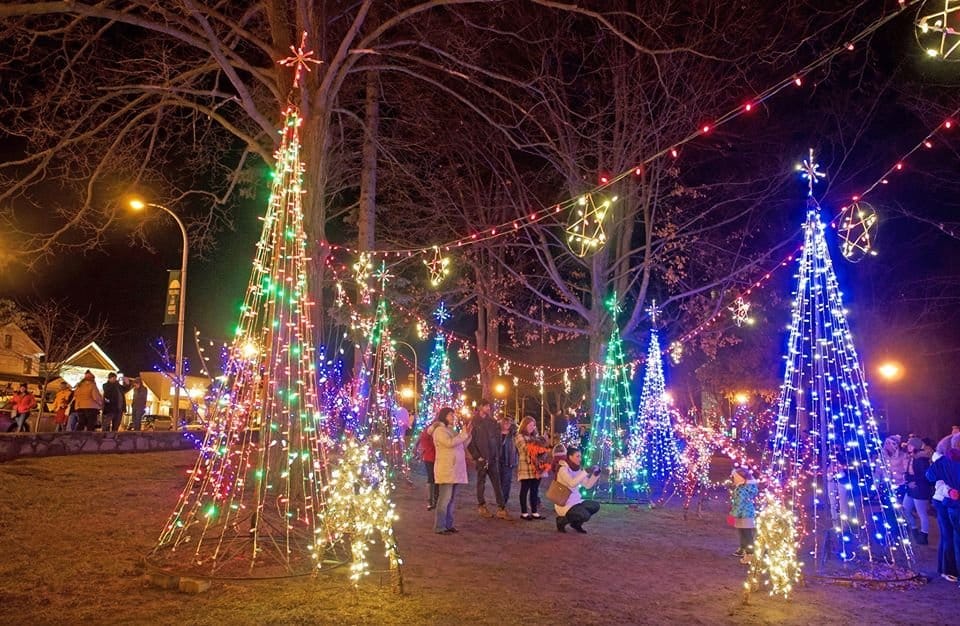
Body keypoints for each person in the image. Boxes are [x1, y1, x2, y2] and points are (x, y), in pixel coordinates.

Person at [926, 433, 960, 588]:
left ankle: (947, 569)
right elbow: (934, 480)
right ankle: (948, 570)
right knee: (950, 537)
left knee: (951, 537)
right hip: (948, 502)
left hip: (950, 503)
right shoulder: (946, 461)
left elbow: (931, 476)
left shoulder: (943, 461)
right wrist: (950, 491)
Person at [467, 399, 510, 519]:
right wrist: (477, 456)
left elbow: (497, 439)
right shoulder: (474, 422)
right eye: (486, 406)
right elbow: (470, 441)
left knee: (497, 483)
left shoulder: (492, 422)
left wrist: (497, 453)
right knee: (481, 483)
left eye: (489, 406)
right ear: (480, 407)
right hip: (482, 458)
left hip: (492, 458)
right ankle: (481, 505)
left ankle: (501, 508)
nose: (488, 408)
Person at [432, 406, 472, 535]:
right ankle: (440, 526)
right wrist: (463, 435)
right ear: (444, 416)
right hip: (446, 469)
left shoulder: (451, 430)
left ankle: (448, 524)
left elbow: (460, 444)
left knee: (451, 499)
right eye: (450, 415)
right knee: (444, 499)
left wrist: (468, 435)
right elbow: (449, 443)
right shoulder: (440, 431)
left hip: (455, 470)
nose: (453, 417)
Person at [553, 447, 601, 533]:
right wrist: (585, 471)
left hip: (576, 501)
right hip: (564, 503)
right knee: (584, 515)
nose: (580, 459)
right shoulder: (562, 469)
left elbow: (587, 485)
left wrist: (595, 475)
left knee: (595, 506)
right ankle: (561, 521)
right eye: (578, 456)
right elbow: (572, 483)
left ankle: (576, 524)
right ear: (570, 457)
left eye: (580, 456)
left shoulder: (577, 469)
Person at [515, 415, 552, 520]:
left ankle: (535, 511)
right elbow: (525, 448)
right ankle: (524, 512)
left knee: (535, 490)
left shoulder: (535, 437)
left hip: (537, 468)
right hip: (526, 466)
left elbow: (542, 449)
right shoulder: (519, 436)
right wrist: (539, 445)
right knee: (525, 489)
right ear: (524, 425)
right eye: (530, 425)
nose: (532, 427)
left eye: (533, 425)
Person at [903, 436, 933, 545]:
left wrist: (913, 481)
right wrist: (908, 479)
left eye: (911, 445)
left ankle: (924, 535)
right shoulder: (912, 457)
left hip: (920, 489)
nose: (909, 447)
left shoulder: (921, 459)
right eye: (908, 445)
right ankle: (914, 528)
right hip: (912, 488)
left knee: (922, 513)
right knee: (905, 508)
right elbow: (909, 473)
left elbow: (924, 475)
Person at [729, 467, 759, 563]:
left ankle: (750, 554)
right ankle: (743, 549)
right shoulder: (747, 488)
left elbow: (739, 504)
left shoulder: (741, 490)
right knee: (744, 533)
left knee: (746, 534)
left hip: (743, 515)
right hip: (747, 514)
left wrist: (732, 515)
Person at [417, 417, 441, 510]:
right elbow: (423, 438)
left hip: (437, 458)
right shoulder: (429, 430)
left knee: (436, 479)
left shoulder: (438, 430)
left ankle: (435, 499)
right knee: (432, 479)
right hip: (430, 458)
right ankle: (431, 500)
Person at [497, 415, 519, 508]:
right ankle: (500, 500)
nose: (506, 424)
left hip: (509, 461)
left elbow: (518, 448)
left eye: (508, 422)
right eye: (504, 422)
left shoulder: (514, 434)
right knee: (498, 482)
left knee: (506, 482)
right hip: (497, 460)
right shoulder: (496, 433)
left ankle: (503, 502)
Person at [878, 435, 908, 499]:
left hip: (900, 484)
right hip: (886, 484)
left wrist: (904, 479)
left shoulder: (903, 455)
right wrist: (877, 483)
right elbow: (878, 470)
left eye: (889, 443)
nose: (887, 445)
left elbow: (907, 470)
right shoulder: (882, 456)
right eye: (886, 443)